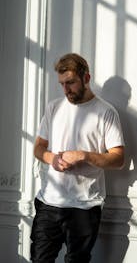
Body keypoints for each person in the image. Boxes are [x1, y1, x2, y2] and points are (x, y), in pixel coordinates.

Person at [30, 53, 125, 263]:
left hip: (84, 206)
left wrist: (84, 155)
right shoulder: (53, 107)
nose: (66, 90)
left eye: (71, 82)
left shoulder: (106, 112)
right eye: (62, 84)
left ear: (86, 78)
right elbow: (38, 147)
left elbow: (118, 159)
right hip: (49, 202)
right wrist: (52, 159)